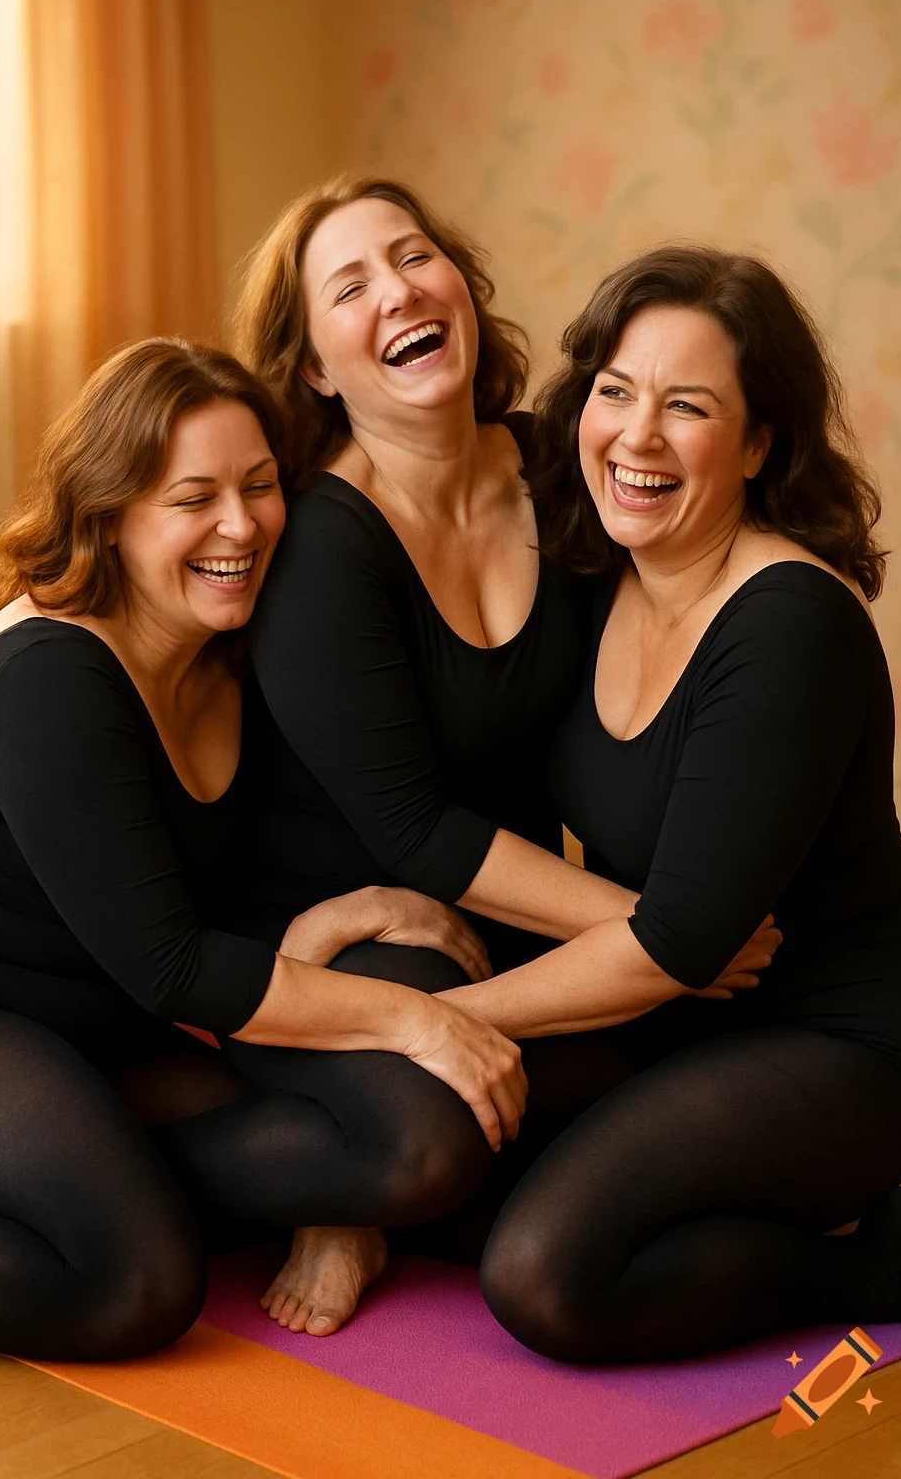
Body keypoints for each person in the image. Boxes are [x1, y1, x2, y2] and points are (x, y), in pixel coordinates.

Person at [0, 337, 529, 1360]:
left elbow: (233, 878)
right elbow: (172, 962)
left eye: (260, 485)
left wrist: (349, 911)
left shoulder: (227, 648)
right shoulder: (50, 679)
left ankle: (108, 1178)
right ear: (109, 512)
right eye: (193, 497)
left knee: (413, 1149)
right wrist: (415, 1019)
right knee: (136, 1285)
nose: (240, 525)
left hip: (104, 1032)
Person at [233, 179, 777, 1329]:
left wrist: (676, 916)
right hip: (357, 927)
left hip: (528, 916)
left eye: (413, 255)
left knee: (633, 1098)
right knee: (431, 1139)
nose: (397, 290)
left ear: (461, 292)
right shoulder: (325, 543)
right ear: (318, 369)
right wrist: (650, 929)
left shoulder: (555, 466)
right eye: (350, 285)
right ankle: (300, 1178)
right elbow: (412, 832)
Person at [428, 244, 901, 1362]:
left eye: (686, 407)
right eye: (614, 392)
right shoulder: (597, 573)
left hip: (834, 1043)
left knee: (542, 1278)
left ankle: (881, 1254)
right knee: (418, 1164)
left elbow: (676, 945)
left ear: (757, 444)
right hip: (671, 1025)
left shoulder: (788, 622)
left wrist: (441, 1020)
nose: (635, 436)